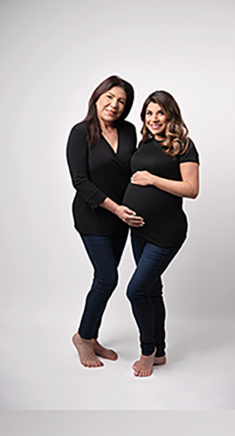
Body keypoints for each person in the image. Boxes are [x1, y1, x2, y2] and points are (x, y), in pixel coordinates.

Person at [121, 90, 199, 377]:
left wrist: (151, 179)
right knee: (152, 290)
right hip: (139, 230)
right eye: (149, 113)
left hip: (167, 232)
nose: (154, 118)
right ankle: (161, 350)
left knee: (136, 290)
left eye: (159, 113)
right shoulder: (142, 146)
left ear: (170, 115)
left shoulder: (183, 147)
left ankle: (147, 352)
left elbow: (191, 189)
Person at [67, 75, 142, 368]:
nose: (115, 104)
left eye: (122, 101)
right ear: (97, 97)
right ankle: (83, 337)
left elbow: (131, 171)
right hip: (93, 215)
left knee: (105, 279)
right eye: (109, 97)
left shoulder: (129, 130)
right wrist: (116, 208)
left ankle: (91, 336)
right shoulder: (80, 133)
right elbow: (79, 181)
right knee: (107, 276)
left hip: (121, 218)